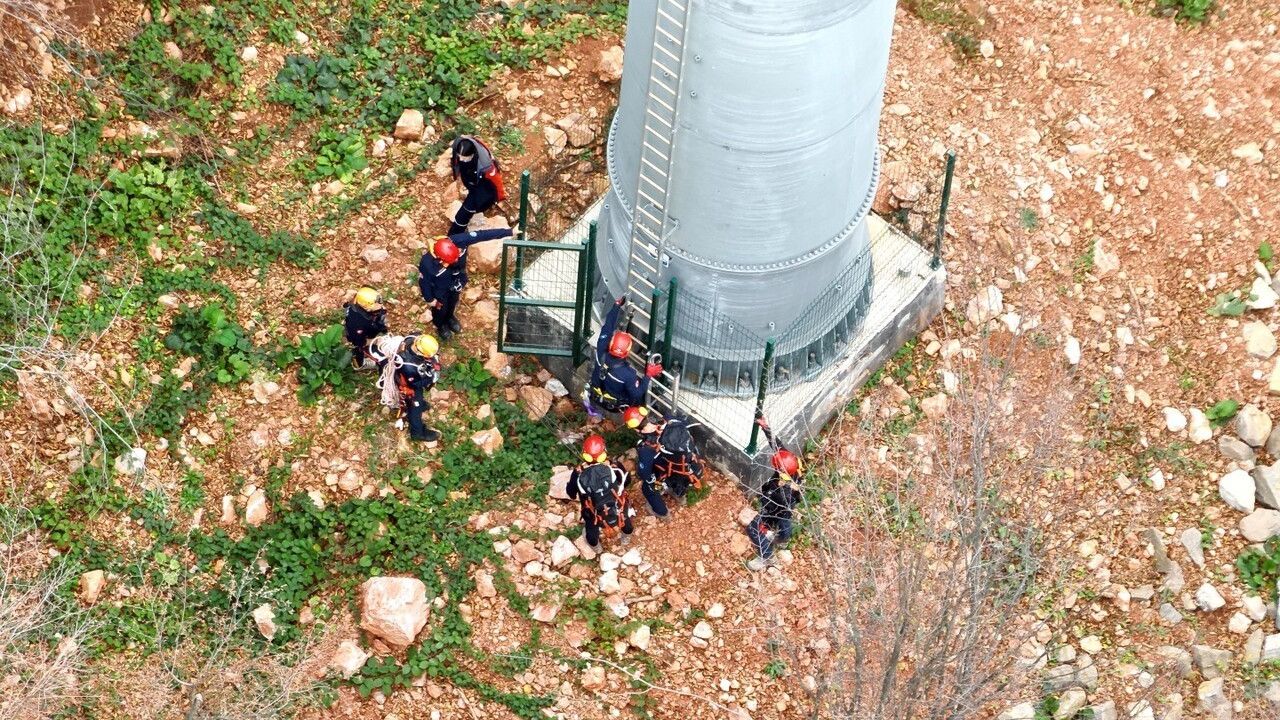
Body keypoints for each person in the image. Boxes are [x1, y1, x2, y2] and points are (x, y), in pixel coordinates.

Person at [418, 227, 515, 341]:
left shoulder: (459, 241)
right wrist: (430, 299)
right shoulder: (428, 263)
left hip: (457, 280)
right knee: (440, 309)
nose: (456, 260)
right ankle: (441, 325)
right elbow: (424, 282)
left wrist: (509, 232)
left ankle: (450, 317)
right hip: (440, 289)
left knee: (453, 301)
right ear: (440, 259)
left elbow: (482, 235)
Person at [583, 296, 662, 420]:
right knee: (639, 391)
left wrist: (616, 307)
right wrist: (648, 376)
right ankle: (645, 417)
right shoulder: (628, 374)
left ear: (610, 345)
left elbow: (607, 327)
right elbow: (636, 394)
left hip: (598, 396)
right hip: (616, 406)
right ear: (627, 352)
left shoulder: (601, 350)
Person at [746, 415, 804, 571]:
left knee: (753, 528)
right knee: (785, 519)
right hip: (786, 507)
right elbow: (777, 445)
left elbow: (775, 504)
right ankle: (782, 539)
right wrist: (765, 427)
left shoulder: (782, 490)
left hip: (775, 506)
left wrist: (767, 497)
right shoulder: (791, 464)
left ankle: (767, 556)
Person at [566, 434, 634, 553]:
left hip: (593, 512)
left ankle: (596, 547)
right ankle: (626, 535)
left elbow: (571, 493)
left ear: (585, 454)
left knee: (591, 531)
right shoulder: (614, 467)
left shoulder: (578, 474)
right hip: (617, 505)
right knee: (625, 519)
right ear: (604, 453)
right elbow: (626, 481)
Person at [448, 135, 506, 236]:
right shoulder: (459, 144)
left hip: (482, 185)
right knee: (472, 202)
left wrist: (499, 196)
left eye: (465, 158)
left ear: (473, 154)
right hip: (472, 178)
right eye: (459, 156)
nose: (461, 159)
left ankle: (455, 234)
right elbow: (457, 159)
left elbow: (496, 181)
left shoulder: (486, 165)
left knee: (467, 210)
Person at [393, 334, 442, 443]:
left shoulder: (411, 340)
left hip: (410, 378)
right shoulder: (409, 367)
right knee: (415, 407)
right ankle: (417, 433)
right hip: (410, 387)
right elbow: (415, 384)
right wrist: (431, 378)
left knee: (420, 402)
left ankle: (422, 406)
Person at [627, 406, 672, 521]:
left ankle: (662, 512)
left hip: (664, 472)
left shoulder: (645, 449)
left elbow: (645, 474)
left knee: (647, 488)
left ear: (636, 429)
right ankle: (677, 493)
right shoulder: (667, 423)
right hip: (678, 466)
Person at [343, 287, 388, 370]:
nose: (381, 305)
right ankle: (359, 364)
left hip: (369, 327)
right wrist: (376, 341)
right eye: (377, 303)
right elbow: (360, 342)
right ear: (366, 307)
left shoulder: (359, 303)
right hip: (359, 336)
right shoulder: (358, 323)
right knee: (358, 349)